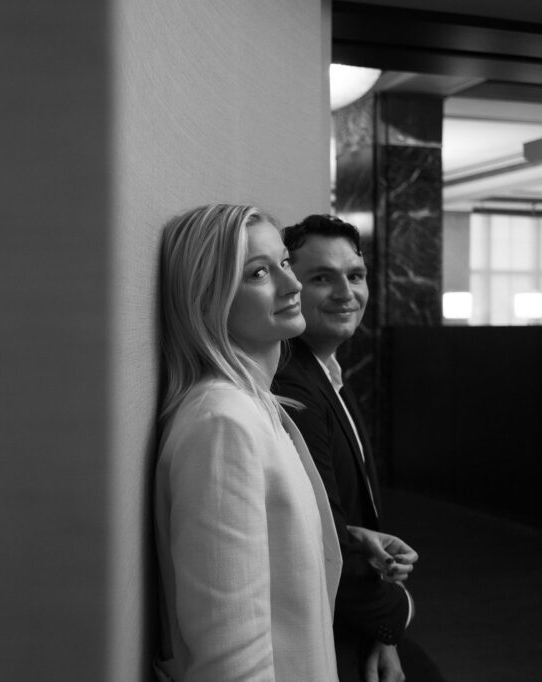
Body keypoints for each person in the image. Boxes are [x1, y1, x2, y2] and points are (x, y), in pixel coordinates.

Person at [153, 203, 342, 682]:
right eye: (259, 273)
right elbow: (230, 655)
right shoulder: (222, 422)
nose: (292, 284)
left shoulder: (253, 407)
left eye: (283, 263)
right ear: (207, 299)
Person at [273, 214, 444, 682]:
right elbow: (321, 543)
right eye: (322, 278)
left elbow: (338, 519)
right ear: (291, 287)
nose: (346, 293)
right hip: (323, 627)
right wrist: (395, 617)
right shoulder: (293, 383)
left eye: (355, 276)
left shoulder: (325, 372)